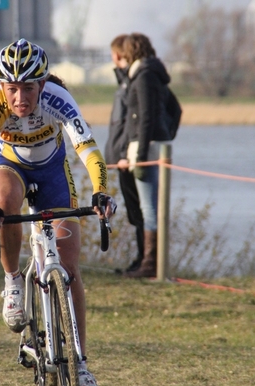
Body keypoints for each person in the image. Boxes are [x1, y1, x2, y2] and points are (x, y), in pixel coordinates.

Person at [0, 38, 115, 386]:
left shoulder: (58, 99)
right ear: (2, 88)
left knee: (69, 266)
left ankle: (81, 364)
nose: (20, 97)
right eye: (12, 88)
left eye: (28, 88)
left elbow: (88, 148)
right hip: (11, 169)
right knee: (6, 204)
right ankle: (13, 283)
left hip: (53, 173)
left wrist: (100, 192)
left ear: (42, 84)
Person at [118, 33, 173, 278]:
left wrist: (139, 154)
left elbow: (147, 116)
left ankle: (150, 264)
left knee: (148, 207)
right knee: (149, 206)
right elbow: (173, 109)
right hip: (151, 145)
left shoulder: (144, 76)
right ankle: (150, 263)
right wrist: (167, 134)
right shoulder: (151, 74)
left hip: (144, 148)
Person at [104, 34, 145, 273]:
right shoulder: (126, 81)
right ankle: (142, 260)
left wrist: (122, 153)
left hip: (125, 158)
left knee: (139, 211)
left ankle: (145, 261)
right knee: (134, 211)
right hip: (120, 158)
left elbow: (131, 123)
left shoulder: (133, 81)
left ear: (118, 55)